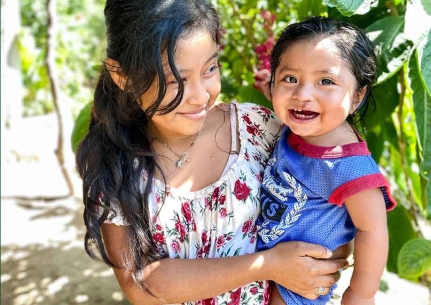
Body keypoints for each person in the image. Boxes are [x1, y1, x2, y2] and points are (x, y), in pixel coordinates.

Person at [75, 2, 350, 305]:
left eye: (210, 69)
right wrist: (270, 264)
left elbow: (327, 222)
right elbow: (143, 286)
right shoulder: (117, 164)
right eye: (174, 81)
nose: (200, 96)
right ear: (122, 77)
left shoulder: (259, 131)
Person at [255, 16, 397, 305]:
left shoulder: (349, 166)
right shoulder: (304, 127)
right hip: (259, 266)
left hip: (297, 288)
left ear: (358, 96)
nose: (302, 95)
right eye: (290, 78)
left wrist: (360, 294)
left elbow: (373, 230)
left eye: (326, 81)